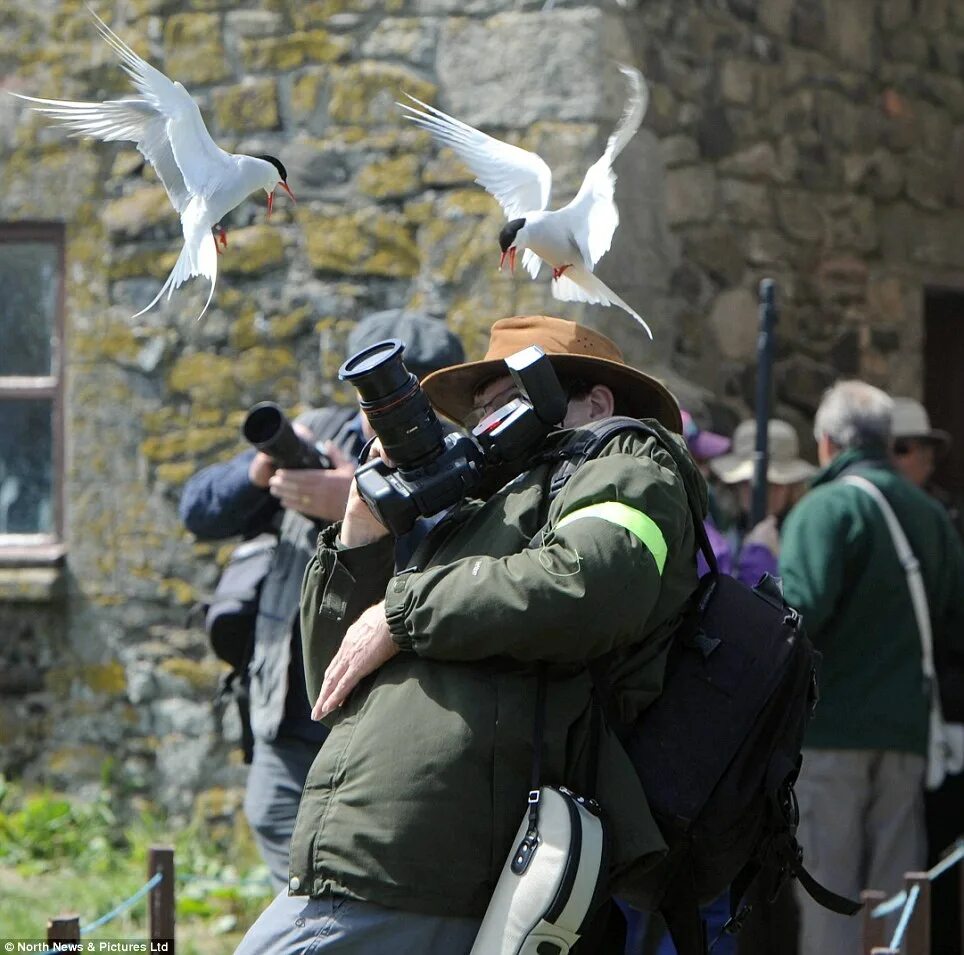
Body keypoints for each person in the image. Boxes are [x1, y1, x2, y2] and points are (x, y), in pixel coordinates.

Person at [235, 315, 706, 953]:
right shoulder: (481, 508)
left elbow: (592, 588)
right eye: (480, 411)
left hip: (446, 859)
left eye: (511, 401)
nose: (488, 426)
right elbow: (333, 683)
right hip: (367, 853)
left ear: (594, 401)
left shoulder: (627, 461)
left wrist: (401, 611)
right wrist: (360, 536)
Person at [179, 310, 464, 889]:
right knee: (282, 835)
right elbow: (199, 511)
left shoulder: (463, 459)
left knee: (365, 868)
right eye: (373, 394)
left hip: (396, 710)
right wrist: (260, 470)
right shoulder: (321, 432)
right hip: (289, 707)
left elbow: (466, 552)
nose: (387, 409)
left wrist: (361, 512)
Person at [778, 381, 964, 955]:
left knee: (831, 895)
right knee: (894, 897)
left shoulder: (826, 508)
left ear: (828, 443)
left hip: (831, 732)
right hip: (909, 736)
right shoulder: (931, 516)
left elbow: (795, 620)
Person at [890, 396, 964, 955]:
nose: (906, 460)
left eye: (912, 449)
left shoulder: (943, 521)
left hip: (944, 715)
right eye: (899, 448)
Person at [709, 418, 815, 587]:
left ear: (792, 487)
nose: (761, 493)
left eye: (774, 484)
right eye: (747, 483)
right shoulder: (723, 528)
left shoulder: (804, 535)